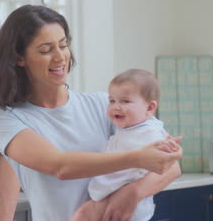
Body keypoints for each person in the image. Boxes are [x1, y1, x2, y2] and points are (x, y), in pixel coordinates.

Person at [0, 4, 182, 221]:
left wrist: (133, 192)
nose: (60, 57)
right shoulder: (5, 119)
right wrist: (137, 159)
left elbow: (171, 167)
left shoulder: (103, 105)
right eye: (46, 49)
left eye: (63, 45)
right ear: (19, 57)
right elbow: (60, 165)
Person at [72, 69, 169, 221]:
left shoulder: (150, 133)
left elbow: (166, 162)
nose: (116, 106)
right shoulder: (127, 128)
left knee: (82, 216)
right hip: (109, 195)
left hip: (124, 203)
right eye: (112, 101)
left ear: (150, 108)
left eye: (125, 101)